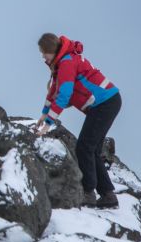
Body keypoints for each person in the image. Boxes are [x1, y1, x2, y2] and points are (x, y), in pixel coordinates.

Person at [35, 33, 122, 209]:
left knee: (84, 147)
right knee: (92, 149)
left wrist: (48, 124)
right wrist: (44, 114)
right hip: (105, 103)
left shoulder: (67, 62)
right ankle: (108, 195)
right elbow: (54, 91)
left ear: (52, 50)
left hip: (105, 103)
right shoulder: (61, 64)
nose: (42, 56)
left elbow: (64, 94)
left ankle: (89, 193)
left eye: (44, 52)